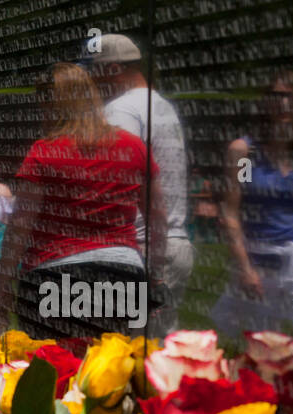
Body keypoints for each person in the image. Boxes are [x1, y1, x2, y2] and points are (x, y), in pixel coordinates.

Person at [0, 62, 164, 338]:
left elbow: (18, 230)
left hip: (55, 273)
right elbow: (158, 219)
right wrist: (156, 276)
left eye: (45, 103)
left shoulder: (44, 152)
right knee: (110, 370)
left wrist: (3, 290)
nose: (42, 111)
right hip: (122, 271)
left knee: (56, 373)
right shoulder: (134, 147)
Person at [91, 34, 191, 334]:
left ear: (112, 70)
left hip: (139, 247)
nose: (91, 84)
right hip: (170, 244)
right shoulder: (161, 106)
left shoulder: (121, 110)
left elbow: (115, 180)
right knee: (156, 356)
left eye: (93, 73)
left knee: (122, 358)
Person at [212, 71, 293, 339]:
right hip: (259, 260)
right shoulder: (246, 154)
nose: (284, 104)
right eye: (277, 96)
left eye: (291, 97)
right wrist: (244, 267)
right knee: (255, 342)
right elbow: (232, 211)